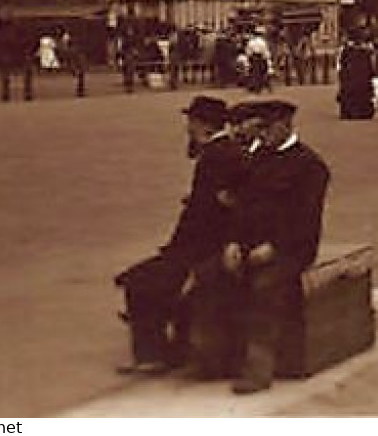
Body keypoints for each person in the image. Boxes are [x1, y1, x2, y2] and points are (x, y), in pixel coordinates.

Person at [189, 99, 330, 395]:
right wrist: (232, 243)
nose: (262, 135)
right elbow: (241, 209)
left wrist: (274, 248)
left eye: (267, 128)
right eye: (259, 128)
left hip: (291, 248)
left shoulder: (310, 166)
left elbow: (305, 220)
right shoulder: (256, 159)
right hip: (249, 244)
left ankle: (258, 369)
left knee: (265, 286)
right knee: (208, 274)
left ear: (285, 126)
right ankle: (213, 359)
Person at [113, 96, 246, 375]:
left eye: (191, 122)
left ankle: (153, 354)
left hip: (203, 247)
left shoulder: (215, 156)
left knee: (139, 282)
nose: (188, 128)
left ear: (202, 125)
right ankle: (167, 339)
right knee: (154, 277)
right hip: (208, 243)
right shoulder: (227, 151)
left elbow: (219, 208)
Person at [336, 34, 377, 120]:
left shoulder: (347, 51)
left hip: (351, 76)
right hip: (361, 77)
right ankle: (363, 112)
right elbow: (371, 66)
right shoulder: (365, 51)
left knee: (350, 94)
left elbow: (342, 64)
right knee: (361, 93)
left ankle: (350, 112)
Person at [243, 29, 272, 93]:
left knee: (255, 74)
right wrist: (267, 59)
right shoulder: (263, 42)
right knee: (263, 73)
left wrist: (249, 58)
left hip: (254, 58)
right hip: (261, 58)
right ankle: (266, 88)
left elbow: (248, 52)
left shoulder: (251, 42)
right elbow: (265, 51)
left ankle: (257, 88)